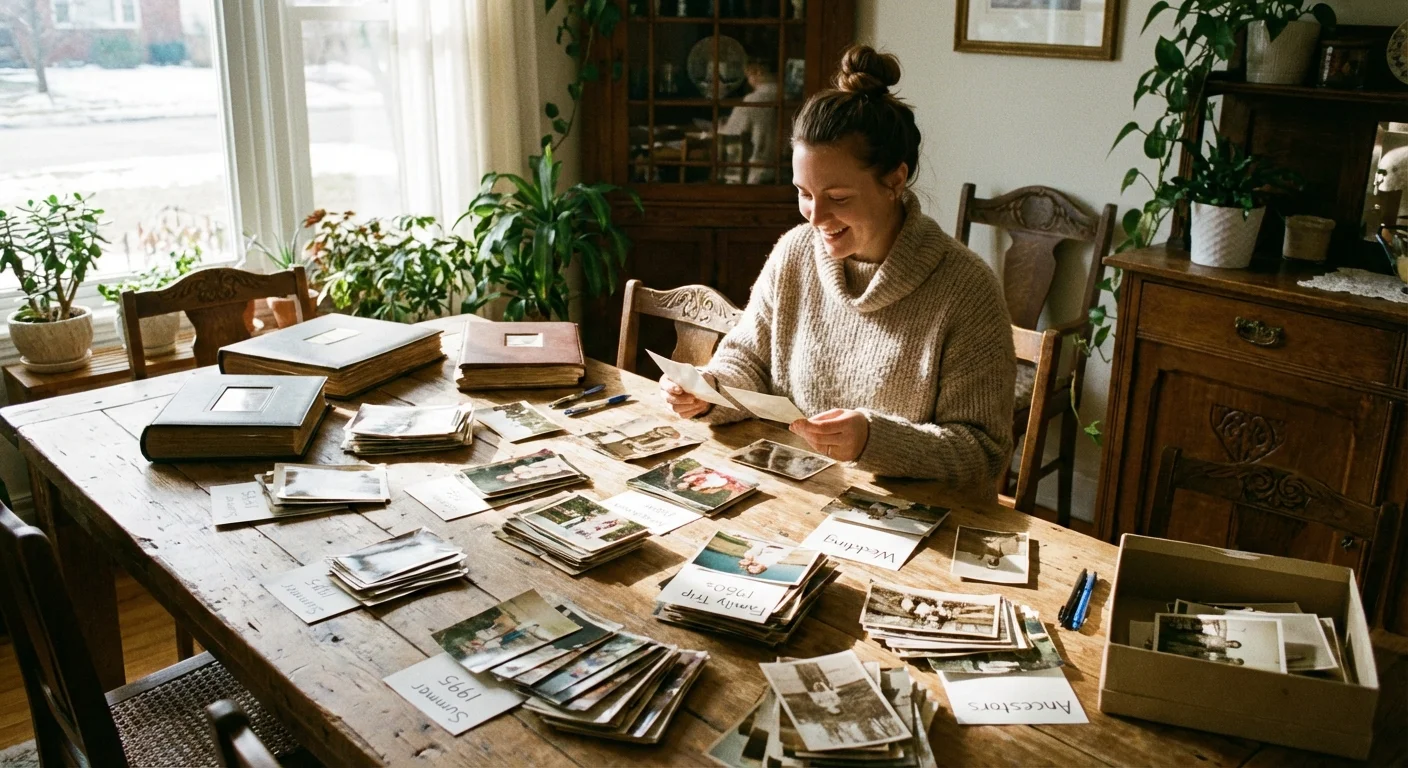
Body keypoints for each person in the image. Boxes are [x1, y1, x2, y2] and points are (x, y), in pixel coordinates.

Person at [659, 45, 1015, 498]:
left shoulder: (966, 289)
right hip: (798, 494)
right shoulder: (795, 253)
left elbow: (983, 452)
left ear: (895, 180)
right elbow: (748, 358)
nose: (815, 216)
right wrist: (710, 388)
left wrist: (875, 441)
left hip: (910, 518)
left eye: (838, 198)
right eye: (804, 193)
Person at [718, 56, 779, 184]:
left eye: (748, 76)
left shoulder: (753, 100)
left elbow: (732, 133)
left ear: (758, 72)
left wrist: (721, 127)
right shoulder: (788, 97)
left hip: (755, 171)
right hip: (783, 170)